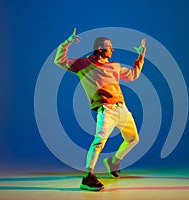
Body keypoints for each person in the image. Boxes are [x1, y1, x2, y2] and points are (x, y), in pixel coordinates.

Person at [54, 28, 146, 191]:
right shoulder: (84, 64)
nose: (112, 49)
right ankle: (87, 177)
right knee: (99, 142)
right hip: (107, 110)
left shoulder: (114, 66)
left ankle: (113, 162)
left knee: (133, 139)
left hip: (122, 108)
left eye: (111, 47)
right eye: (109, 47)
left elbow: (133, 75)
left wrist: (141, 56)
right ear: (100, 49)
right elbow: (59, 60)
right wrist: (67, 43)